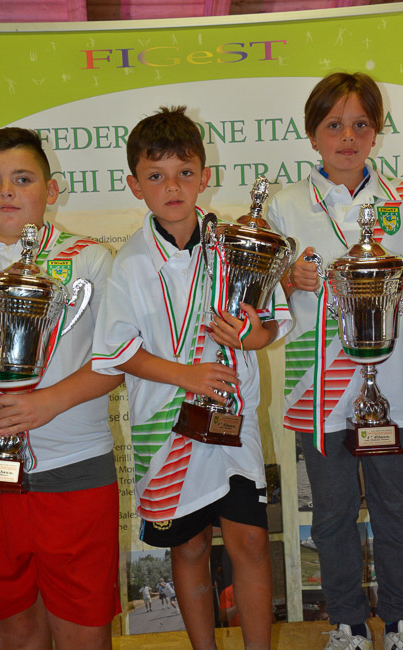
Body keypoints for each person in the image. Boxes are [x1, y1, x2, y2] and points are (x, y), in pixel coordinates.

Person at [92, 106, 291, 650]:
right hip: (167, 428)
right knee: (190, 548)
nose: (173, 187)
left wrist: (251, 336)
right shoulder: (130, 263)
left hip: (232, 425)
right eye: (156, 176)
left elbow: (271, 323)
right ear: (135, 186)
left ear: (206, 176)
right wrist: (188, 375)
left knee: (251, 542)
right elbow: (118, 352)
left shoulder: (237, 245)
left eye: (184, 172)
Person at [0, 127, 123, 650]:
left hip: (75, 468)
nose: (6, 192)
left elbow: (118, 360)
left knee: (84, 633)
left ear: (51, 189)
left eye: (22, 179)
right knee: (17, 632)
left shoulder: (90, 260)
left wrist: (47, 404)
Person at [268, 72, 403, 650]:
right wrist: (287, 279)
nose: (348, 137)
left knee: (396, 508)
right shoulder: (283, 206)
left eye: (360, 124)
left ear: (376, 131)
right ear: (312, 134)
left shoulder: (398, 201)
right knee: (331, 513)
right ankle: (347, 623)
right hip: (317, 388)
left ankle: (397, 621)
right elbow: (258, 302)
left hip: (393, 385)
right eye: (334, 125)